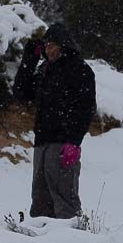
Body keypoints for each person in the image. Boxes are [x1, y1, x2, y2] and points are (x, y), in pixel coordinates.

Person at [11, 21, 96, 219]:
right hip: (42, 143)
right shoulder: (44, 71)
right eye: (46, 46)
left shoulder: (80, 70)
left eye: (52, 46)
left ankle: (73, 242)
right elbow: (21, 93)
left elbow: (86, 108)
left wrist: (74, 142)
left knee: (65, 200)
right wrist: (30, 58)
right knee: (40, 201)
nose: (48, 51)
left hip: (63, 144)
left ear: (63, 46)